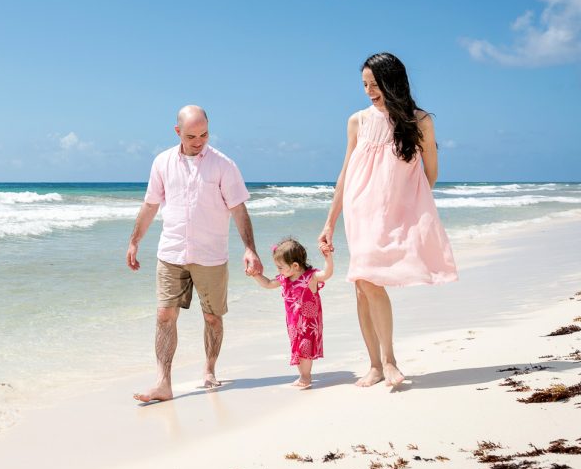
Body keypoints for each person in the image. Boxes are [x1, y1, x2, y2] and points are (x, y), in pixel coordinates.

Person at [318, 52, 458, 388]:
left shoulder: (419, 120)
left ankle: (387, 363)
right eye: (364, 84)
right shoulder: (358, 121)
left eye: (375, 83)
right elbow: (345, 175)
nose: (369, 90)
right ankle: (379, 364)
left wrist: (409, 205)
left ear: (393, 82)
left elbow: (431, 172)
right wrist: (329, 221)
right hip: (359, 212)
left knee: (368, 285)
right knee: (364, 283)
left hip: (394, 213)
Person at [128, 105, 263, 403]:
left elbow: (238, 209)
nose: (199, 141)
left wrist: (250, 249)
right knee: (164, 315)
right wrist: (135, 241)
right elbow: (151, 204)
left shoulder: (223, 165)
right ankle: (163, 382)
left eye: (204, 134)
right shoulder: (162, 162)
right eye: (192, 136)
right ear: (177, 132)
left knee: (213, 318)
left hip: (211, 255)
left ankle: (210, 368)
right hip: (171, 252)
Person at [251, 237, 333, 389]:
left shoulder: (311, 277)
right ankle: (303, 374)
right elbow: (268, 284)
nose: (278, 271)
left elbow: (327, 274)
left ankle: (306, 376)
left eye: (280, 267)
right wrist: (256, 275)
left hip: (309, 323)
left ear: (295, 265)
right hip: (293, 324)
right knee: (297, 348)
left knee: (305, 348)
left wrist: (328, 257)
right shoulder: (285, 279)